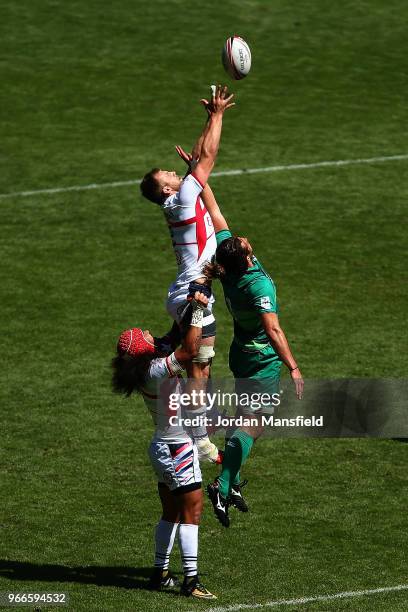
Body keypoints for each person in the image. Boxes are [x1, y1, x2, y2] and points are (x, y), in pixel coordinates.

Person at [198, 185, 304, 527]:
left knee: (247, 417)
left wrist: (200, 178)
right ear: (244, 257)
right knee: (255, 422)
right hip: (261, 360)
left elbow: (216, 217)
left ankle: (229, 478)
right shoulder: (255, 286)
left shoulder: (229, 263)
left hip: (241, 353)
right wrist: (294, 367)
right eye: (243, 243)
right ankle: (223, 483)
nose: (243, 238)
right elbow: (273, 330)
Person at [139, 86, 235, 461]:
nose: (175, 170)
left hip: (186, 290)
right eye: (168, 172)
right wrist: (217, 115)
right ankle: (201, 440)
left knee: (201, 367)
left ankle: (197, 430)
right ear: (165, 187)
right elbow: (207, 157)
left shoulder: (180, 199)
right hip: (194, 294)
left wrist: (208, 121)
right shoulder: (179, 200)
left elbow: (199, 160)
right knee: (200, 368)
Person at [112, 291, 217, 599]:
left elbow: (173, 334)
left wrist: (186, 305)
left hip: (164, 447)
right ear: (143, 349)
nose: (149, 333)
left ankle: (160, 574)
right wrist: (198, 310)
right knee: (191, 511)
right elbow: (188, 350)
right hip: (178, 448)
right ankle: (191, 580)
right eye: (144, 335)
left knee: (170, 512)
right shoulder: (156, 369)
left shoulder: (145, 368)